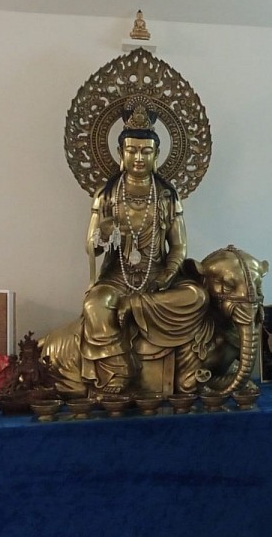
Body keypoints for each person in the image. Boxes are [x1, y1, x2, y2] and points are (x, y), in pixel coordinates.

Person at [79, 106, 208, 394]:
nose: (139, 158)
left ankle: (138, 310)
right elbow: (91, 249)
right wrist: (103, 234)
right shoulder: (107, 195)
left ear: (157, 155)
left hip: (157, 279)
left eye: (146, 151)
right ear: (120, 153)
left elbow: (179, 246)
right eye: (132, 150)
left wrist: (168, 275)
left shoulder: (167, 195)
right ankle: (118, 368)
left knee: (198, 296)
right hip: (117, 278)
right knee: (94, 305)